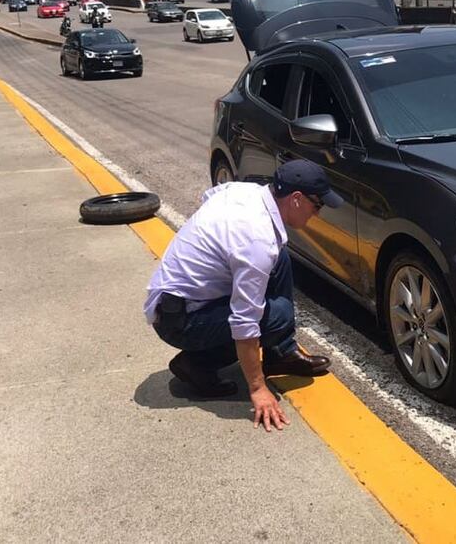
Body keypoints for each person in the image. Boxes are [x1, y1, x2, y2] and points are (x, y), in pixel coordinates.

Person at [145, 160, 340, 431]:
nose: (316, 214)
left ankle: (281, 353)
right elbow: (244, 322)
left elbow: (210, 195)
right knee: (277, 315)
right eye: (316, 205)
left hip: (182, 301)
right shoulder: (255, 241)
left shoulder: (246, 192)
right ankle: (196, 364)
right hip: (177, 320)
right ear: (296, 199)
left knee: (279, 256)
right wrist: (258, 388)